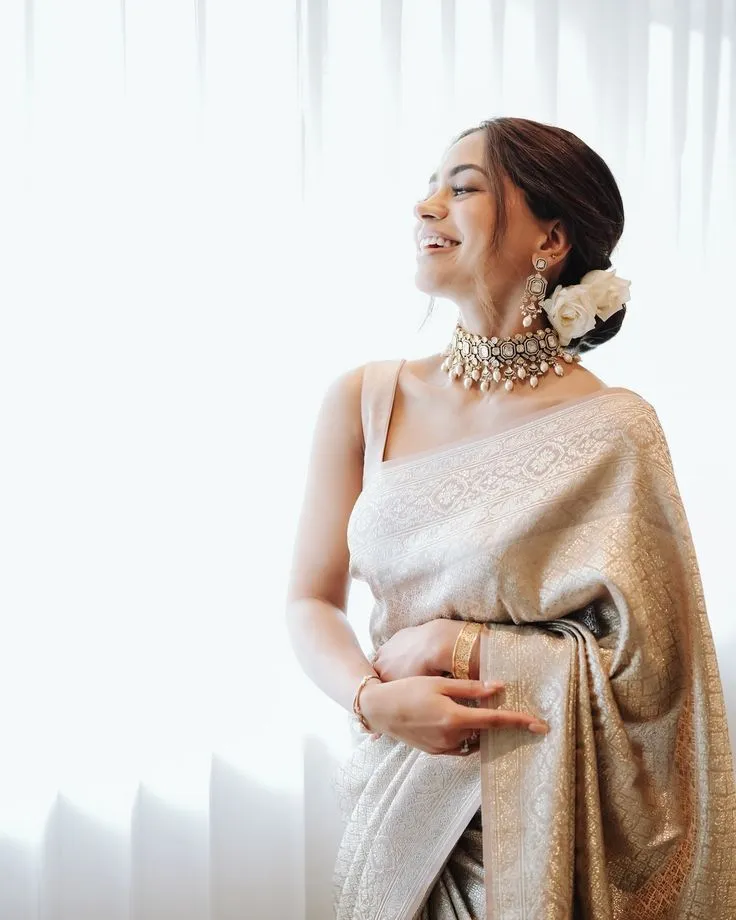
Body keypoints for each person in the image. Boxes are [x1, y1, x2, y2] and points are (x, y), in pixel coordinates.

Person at [284, 117, 736, 919]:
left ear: (550, 238)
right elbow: (309, 601)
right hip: (396, 801)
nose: (427, 206)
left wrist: (464, 646)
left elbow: (660, 679)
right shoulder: (365, 400)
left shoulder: (614, 430)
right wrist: (370, 698)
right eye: (429, 186)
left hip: (543, 828)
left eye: (462, 188)